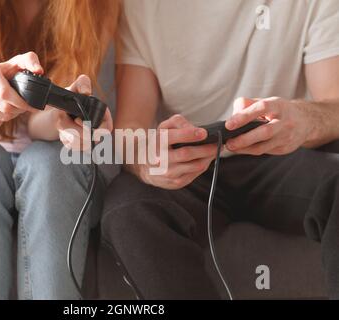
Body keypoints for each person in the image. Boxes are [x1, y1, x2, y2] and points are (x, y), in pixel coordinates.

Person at [102, 0, 339, 299]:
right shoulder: (141, 7)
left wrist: (304, 119)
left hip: (284, 155)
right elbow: (131, 125)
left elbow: (334, 105)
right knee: (127, 209)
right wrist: (145, 162)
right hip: (191, 165)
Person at [0, 0, 119, 299]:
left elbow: (45, 127)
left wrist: (65, 116)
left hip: (53, 165)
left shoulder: (94, 5)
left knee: (51, 162)